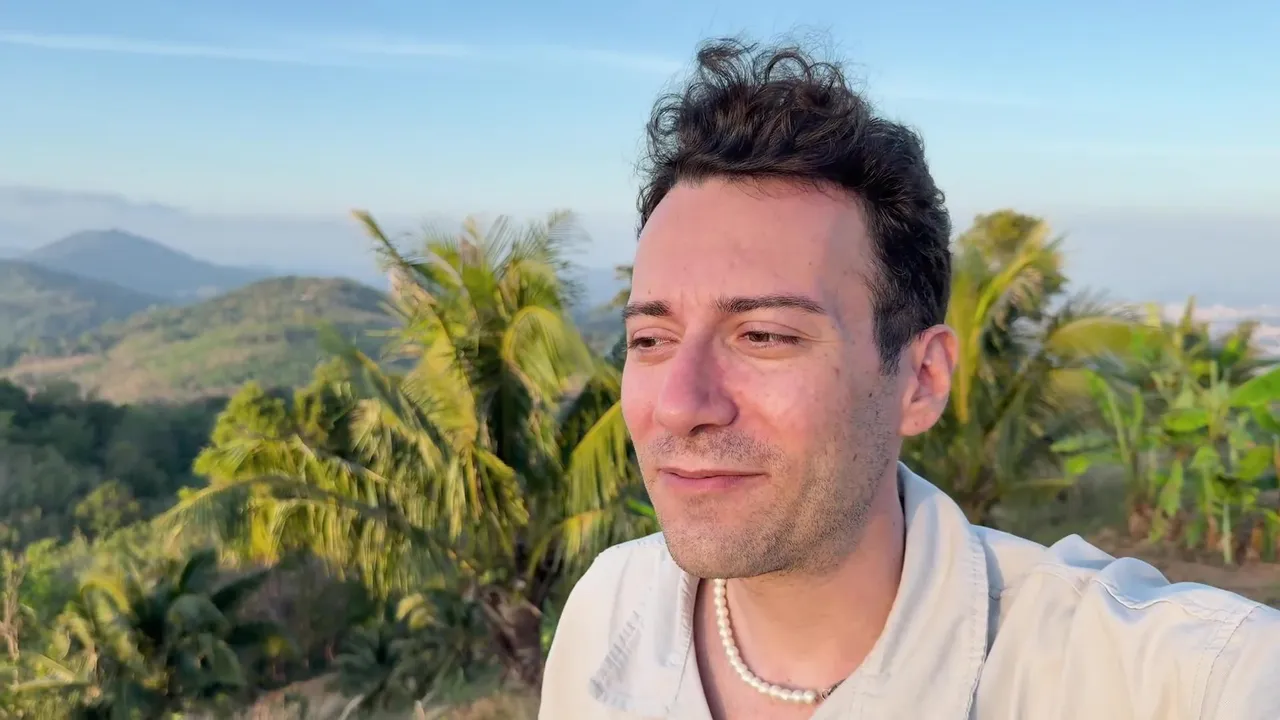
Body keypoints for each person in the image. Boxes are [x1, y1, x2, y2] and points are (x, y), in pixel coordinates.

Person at [539, 37, 1280, 720]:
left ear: (921, 380)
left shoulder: (1165, 679)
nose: (679, 404)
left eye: (764, 335)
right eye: (650, 339)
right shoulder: (609, 609)